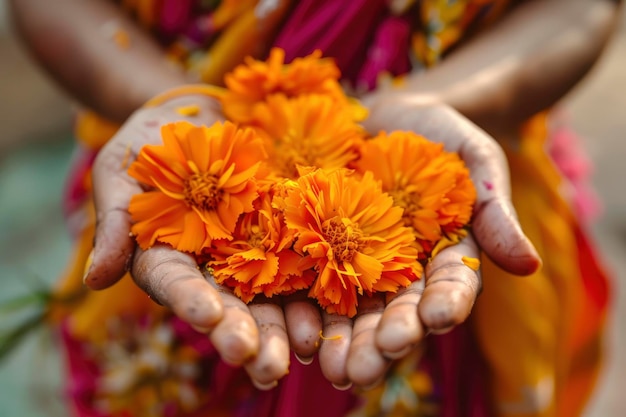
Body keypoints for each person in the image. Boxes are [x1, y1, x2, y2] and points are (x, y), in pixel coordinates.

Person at [7, 0, 620, 416]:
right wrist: (181, 108)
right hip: (168, 172)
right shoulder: (197, 184)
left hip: (455, 130)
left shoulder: (365, 206)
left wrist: (436, 102)